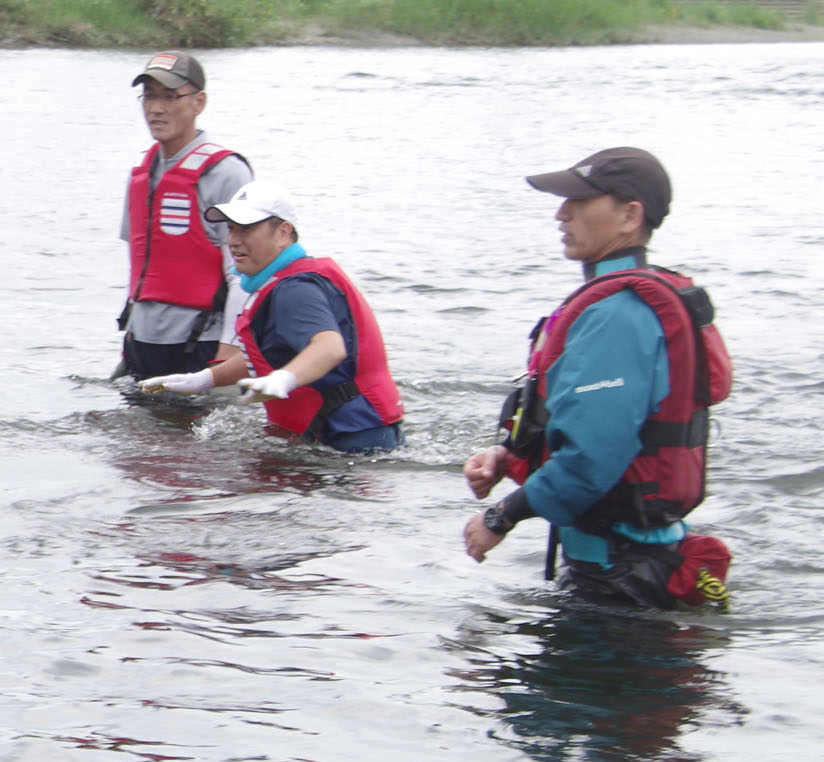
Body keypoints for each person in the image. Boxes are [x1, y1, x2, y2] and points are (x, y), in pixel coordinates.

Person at [463, 147, 733, 610]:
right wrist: (509, 456)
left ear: (630, 215)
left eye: (580, 202)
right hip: (635, 561)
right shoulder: (625, 302)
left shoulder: (616, 317)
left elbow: (592, 460)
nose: (561, 213)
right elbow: (598, 433)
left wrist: (500, 517)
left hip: (619, 581)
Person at [142, 182, 406, 452]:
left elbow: (330, 348)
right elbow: (268, 356)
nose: (233, 240)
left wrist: (284, 379)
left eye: (246, 229)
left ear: (283, 233)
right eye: (231, 229)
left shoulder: (294, 290)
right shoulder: (286, 280)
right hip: (356, 431)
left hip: (351, 439)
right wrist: (205, 379)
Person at [117, 51, 253, 378]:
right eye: (149, 96)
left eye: (170, 97)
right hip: (144, 339)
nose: (155, 108)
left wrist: (230, 349)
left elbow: (243, 273)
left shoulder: (227, 173)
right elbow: (139, 261)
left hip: (199, 341)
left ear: (198, 102)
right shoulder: (141, 171)